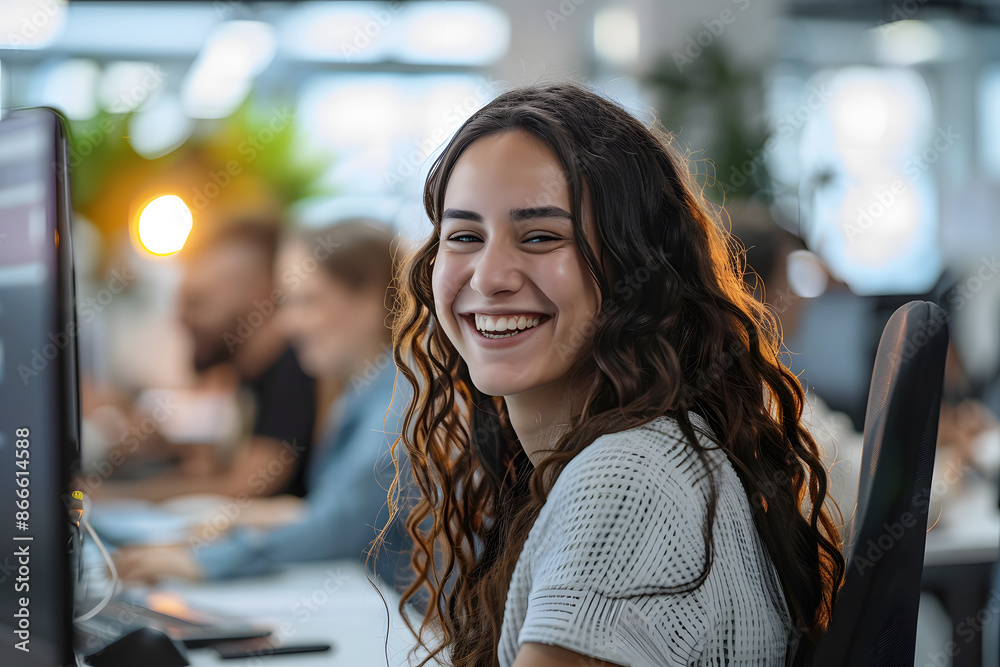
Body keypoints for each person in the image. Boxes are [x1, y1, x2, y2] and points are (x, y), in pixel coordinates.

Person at [387, 83, 845, 667]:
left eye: (541, 237)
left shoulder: (624, 484)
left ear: (638, 266)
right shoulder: (652, 452)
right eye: (464, 237)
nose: (490, 275)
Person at [114, 220, 412, 586]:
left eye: (309, 301)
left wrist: (202, 561)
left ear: (370, 299)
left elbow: (339, 527)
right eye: (287, 303)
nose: (289, 324)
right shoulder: (366, 392)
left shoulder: (399, 403)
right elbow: (344, 507)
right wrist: (241, 520)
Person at [97, 221, 317, 501]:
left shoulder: (295, 371)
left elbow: (242, 488)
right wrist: (170, 449)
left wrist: (108, 496)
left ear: (259, 294)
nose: (180, 317)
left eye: (197, 302)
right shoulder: (254, 379)